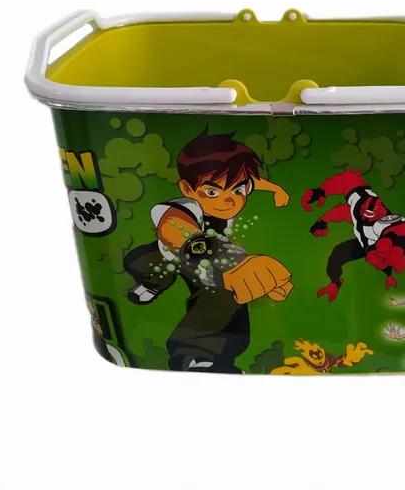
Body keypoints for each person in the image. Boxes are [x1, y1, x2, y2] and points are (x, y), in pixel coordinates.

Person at [124, 128, 292, 373]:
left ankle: (201, 357)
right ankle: (157, 292)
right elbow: (175, 229)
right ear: (188, 189)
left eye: (238, 190)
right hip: (175, 254)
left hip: (204, 264)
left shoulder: (238, 185)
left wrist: (276, 189)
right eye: (212, 192)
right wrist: (231, 262)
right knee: (143, 264)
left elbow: (250, 181)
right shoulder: (182, 209)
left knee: (222, 297)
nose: (230, 200)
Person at [302, 170, 405, 302]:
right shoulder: (359, 199)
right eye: (365, 213)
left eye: (371, 214)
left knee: (389, 255)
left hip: (377, 242)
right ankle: (335, 282)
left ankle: (387, 271)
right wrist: (321, 193)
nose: (367, 214)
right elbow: (346, 184)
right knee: (337, 255)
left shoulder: (389, 226)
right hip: (369, 241)